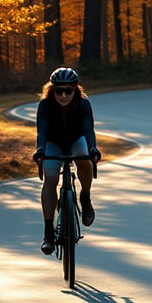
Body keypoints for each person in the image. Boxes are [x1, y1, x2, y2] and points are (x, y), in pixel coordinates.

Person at [33, 67, 101, 255]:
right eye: (58, 91)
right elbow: (43, 132)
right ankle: (48, 233)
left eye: (68, 91)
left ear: (75, 90)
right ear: (51, 90)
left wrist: (93, 148)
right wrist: (40, 150)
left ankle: (85, 197)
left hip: (76, 139)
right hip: (53, 142)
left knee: (85, 160)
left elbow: (88, 130)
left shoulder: (83, 104)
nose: (63, 95)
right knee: (51, 177)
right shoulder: (45, 105)